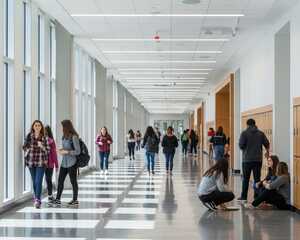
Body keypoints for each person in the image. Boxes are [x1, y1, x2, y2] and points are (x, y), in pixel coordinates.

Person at [238, 118, 270, 201]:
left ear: (247, 125)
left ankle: (244, 197)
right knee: (257, 179)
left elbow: (241, 145)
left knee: (245, 179)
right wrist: (267, 152)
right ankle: (257, 197)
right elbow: (267, 144)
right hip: (258, 159)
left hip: (247, 160)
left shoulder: (244, 133)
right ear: (255, 124)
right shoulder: (260, 133)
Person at [23, 120, 50, 208]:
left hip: (41, 162)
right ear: (33, 127)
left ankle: (37, 199)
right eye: (35, 125)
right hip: (31, 161)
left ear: (41, 127)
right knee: (34, 181)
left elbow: (48, 150)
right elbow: (24, 147)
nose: (37, 127)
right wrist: (27, 149)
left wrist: (41, 145)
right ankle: (36, 198)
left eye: (39, 125)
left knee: (38, 181)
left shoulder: (45, 137)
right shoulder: (29, 136)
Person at [54, 120, 81, 206]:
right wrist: (62, 150)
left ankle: (75, 200)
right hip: (64, 163)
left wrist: (67, 152)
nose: (62, 128)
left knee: (73, 181)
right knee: (60, 181)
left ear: (66, 127)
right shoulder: (64, 136)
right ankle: (58, 199)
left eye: (63, 126)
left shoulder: (74, 137)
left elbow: (78, 151)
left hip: (72, 163)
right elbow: (66, 148)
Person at [44, 125, 59, 203]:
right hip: (42, 163)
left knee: (48, 179)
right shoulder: (41, 140)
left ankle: (50, 195)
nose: (44, 132)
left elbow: (54, 154)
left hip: (49, 164)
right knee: (45, 179)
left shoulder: (51, 141)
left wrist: (56, 165)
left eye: (45, 131)